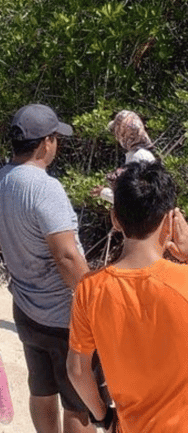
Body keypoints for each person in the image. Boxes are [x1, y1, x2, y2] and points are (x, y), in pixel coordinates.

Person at [0, 104, 94, 433]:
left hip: (26, 309)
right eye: (55, 138)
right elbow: (67, 257)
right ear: (46, 142)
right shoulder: (44, 187)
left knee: (42, 389)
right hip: (64, 316)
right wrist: (96, 301)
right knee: (79, 403)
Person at [68, 161, 188, 432]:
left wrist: (104, 417)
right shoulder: (184, 282)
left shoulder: (90, 289)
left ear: (114, 218)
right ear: (170, 220)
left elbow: (77, 370)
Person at [91, 110, 155, 203]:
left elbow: (132, 200)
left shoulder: (139, 157)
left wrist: (104, 192)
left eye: (117, 131)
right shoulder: (138, 154)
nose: (116, 136)